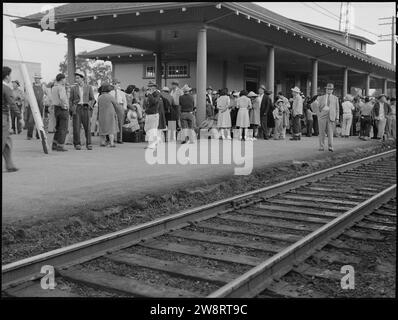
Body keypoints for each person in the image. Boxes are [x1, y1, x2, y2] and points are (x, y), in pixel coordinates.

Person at [3, 67, 23, 172]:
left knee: (7, 141)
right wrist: (20, 117)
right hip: (3, 118)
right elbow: (12, 104)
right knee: (4, 141)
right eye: (10, 75)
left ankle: (9, 165)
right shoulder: (6, 88)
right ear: (7, 76)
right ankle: (9, 165)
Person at [69, 70, 95, 150]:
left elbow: (93, 99)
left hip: (85, 108)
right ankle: (77, 144)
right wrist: (72, 108)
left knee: (87, 127)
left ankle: (89, 144)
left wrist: (89, 104)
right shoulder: (73, 88)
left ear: (82, 78)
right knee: (76, 127)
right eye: (76, 78)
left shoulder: (89, 87)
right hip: (77, 108)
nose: (76, 80)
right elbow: (70, 100)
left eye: (78, 78)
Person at [314, 83, 340, 151]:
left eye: (331, 89)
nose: (329, 90)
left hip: (331, 116)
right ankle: (321, 146)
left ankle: (330, 147)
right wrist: (318, 115)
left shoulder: (335, 98)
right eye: (328, 89)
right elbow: (317, 107)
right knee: (321, 132)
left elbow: (337, 109)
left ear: (332, 90)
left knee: (330, 132)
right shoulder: (321, 97)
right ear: (326, 89)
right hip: (322, 116)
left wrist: (337, 117)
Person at [51, 73, 69, 151]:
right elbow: (62, 98)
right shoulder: (61, 87)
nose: (65, 80)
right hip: (62, 109)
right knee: (63, 128)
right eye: (65, 79)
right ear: (62, 79)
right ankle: (60, 145)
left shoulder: (54, 87)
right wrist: (64, 105)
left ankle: (54, 144)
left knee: (58, 127)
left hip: (56, 108)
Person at [97, 83, 119, 147]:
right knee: (110, 129)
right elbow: (116, 104)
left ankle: (102, 142)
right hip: (109, 114)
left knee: (102, 129)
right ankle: (112, 143)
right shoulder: (110, 97)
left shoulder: (99, 97)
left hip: (101, 115)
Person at [25, 73, 45, 140]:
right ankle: (29, 135)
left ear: (40, 79)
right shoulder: (31, 86)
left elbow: (47, 95)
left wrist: (44, 100)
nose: (36, 79)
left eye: (37, 78)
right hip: (33, 105)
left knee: (39, 121)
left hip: (40, 105)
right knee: (31, 120)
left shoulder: (43, 86)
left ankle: (38, 135)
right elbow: (27, 95)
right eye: (35, 78)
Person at [144, 81, 162, 149]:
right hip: (149, 113)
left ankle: (152, 144)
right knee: (147, 129)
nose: (148, 88)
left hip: (153, 114)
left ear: (154, 88)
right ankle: (156, 140)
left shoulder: (157, 94)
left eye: (150, 87)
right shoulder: (150, 94)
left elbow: (154, 102)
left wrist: (149, 94)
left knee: (152, 130)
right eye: (148, 87)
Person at [109, 79, 127, 144]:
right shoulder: (110, 92)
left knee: (120, 122)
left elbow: (125, 101)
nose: (115, 85)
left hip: (120, 106)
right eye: (114, 84)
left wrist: (124, 108)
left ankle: (120, 138)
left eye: (116, 84)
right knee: (111, 122)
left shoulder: (122, 93)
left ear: (118, 84)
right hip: (112, 106)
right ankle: (111, 138)